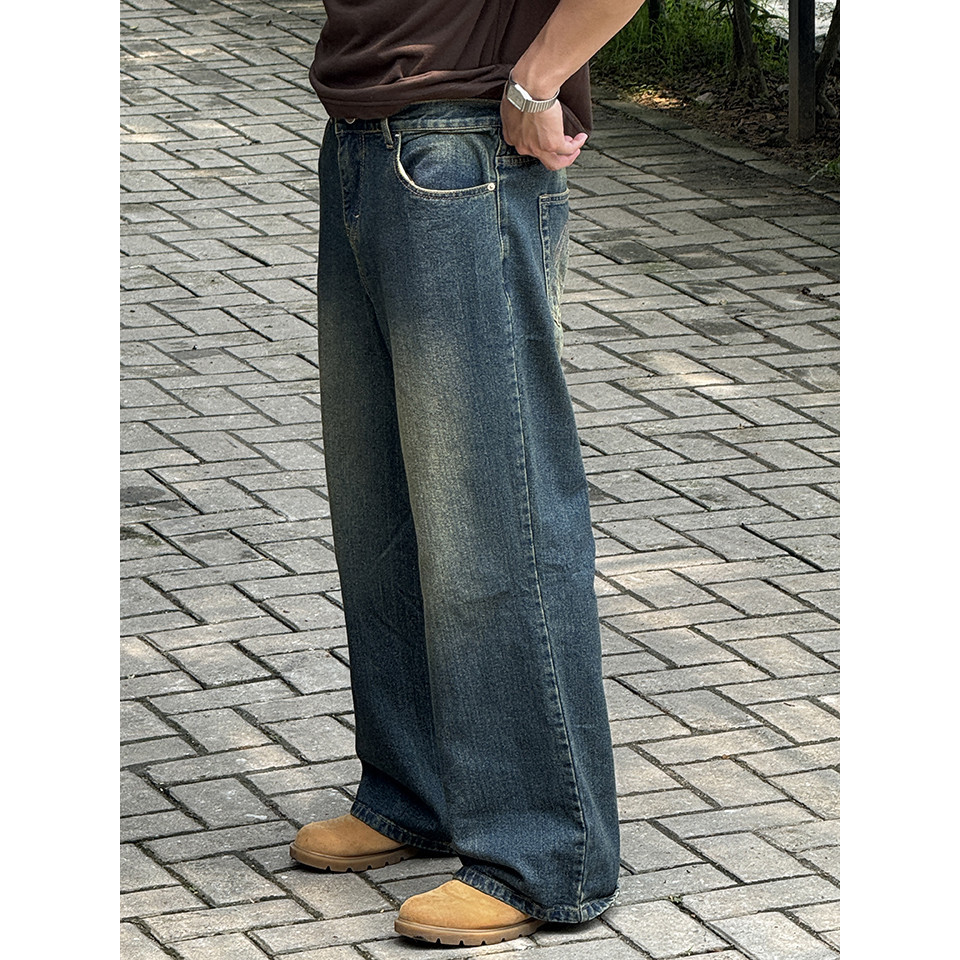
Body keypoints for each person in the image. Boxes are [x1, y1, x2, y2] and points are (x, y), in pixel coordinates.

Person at [291, 0, 646, 947]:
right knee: (382, 508)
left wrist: (538, 79)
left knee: (495, 515)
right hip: (364, 132)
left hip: (464, 141)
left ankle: (546, 853)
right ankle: (417, 791)